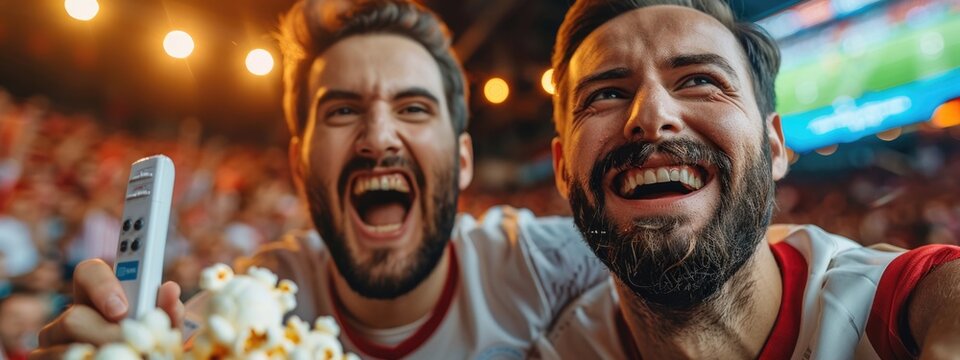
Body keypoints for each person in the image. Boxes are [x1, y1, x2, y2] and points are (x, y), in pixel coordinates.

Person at [30, 0, 605, 359]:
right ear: (301, 162)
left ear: (461, 161)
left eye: (413, 109)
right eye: (342, 110)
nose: (378, 138)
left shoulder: (550, 268)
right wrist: (118, 347)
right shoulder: (251, 305)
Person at [537, 0, 960, 358]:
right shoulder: (551, 345)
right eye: (606, 94)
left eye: (701, 80)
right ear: (562, 168)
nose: (652, 117)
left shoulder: (883, 305)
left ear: (774, 145)